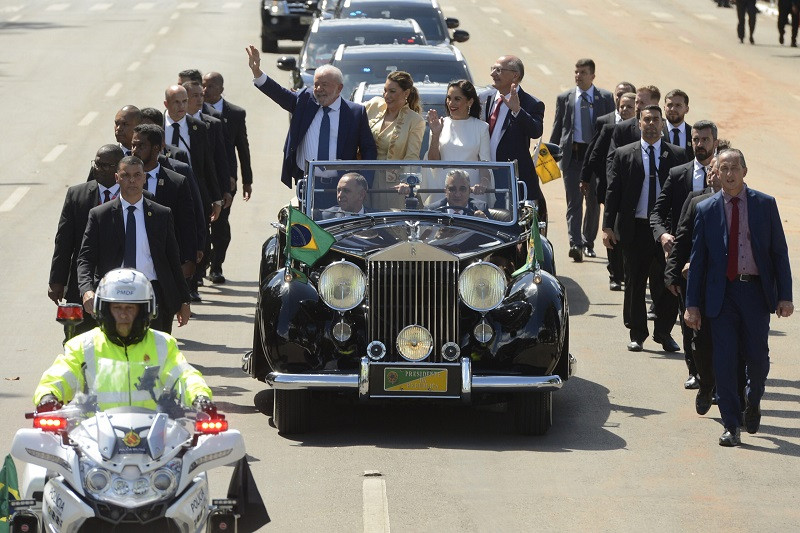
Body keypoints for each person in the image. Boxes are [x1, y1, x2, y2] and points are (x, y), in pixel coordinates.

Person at [685, 149, 793, 447]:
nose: (729, 174)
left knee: (757, 358)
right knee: (724, 360)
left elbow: (778, 253)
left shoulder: (764, 205)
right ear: (715, 174)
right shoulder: (706, 210)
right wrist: (692, 304)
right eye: (723, 169)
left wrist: (784, 295)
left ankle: (753, 399)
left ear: (744, 170)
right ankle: (731, 424)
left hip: (756, 292)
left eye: (734, 168)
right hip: (722, 295)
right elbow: (699, 260)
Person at [34, 268, 215, 414]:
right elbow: (61, 374)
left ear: (145, 310)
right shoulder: (82, 345)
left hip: (155, 439)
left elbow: (184, 376)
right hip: (92, 440)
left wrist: (200, 397)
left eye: (130, 308)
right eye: (117, 307)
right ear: (104, 309)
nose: (123, 314)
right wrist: (48, 396)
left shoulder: (163, 344)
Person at [603, 105, 686, 353]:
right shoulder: (624, 154)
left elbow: (684, 195)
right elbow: (613, 192)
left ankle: (664, 332)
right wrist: (608, 226)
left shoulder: (678, 155)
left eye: (655, 120)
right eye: (646, 120)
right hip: (634, 228)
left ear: (662, 124)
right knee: (635, 283)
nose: (651, 124)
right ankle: (637, 333)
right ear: (639, 123)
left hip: (666, 231)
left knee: (667, 282)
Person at [78, 156, 192, 334]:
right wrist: (86, 290)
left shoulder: (162, 214)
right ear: (117, 178)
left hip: (152, 295)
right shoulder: (100, 215)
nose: (132, 180)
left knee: (154, 355)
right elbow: (85, 258)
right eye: (126, 175)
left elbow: (172, 259)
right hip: (113, 295)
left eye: (137, 175)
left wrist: (184, 300)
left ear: (145, 177)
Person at [246, 45, 377, 188]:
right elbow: (279, 94)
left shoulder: (355, 113)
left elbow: (368, 150)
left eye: (325, 85)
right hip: (306, 184)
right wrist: (257, 72)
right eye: (316, 85)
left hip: (341, 187)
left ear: (339, 88)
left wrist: (365, 184)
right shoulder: (305, 101)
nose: (319, 89)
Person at [650, 120, 718, 389]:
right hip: (686, 262)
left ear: (714, 141)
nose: (699, 144)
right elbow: (657, 212)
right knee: (688, 319)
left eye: (705, 140)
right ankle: (695, 371)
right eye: (695, 140)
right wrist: (664, 235)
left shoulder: (725, 172)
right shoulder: (679, 174)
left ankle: (716, 374)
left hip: (718, 265)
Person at [49, 145, 125, 341]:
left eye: (104, 165)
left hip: (120, 285)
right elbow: (64, 240)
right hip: (81, 285)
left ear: (118, 169)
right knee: (76, 341)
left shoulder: (131, 196)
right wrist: (57, 280)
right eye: (96, 163)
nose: (98, 168)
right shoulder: (77, 195)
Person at [550, 58, 615, 262]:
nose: (578, 76)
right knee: (574, 202)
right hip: (573, 157)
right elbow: (558, 127)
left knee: (594, 202)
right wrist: (551, 153)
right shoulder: (565, 98)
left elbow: (612, 129)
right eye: (576, 72)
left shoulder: (604, 98)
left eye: (583, 72)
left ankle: (588, 242)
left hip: (596, 158)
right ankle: (575, 243)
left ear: (592, 75)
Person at [203, 71, 254, 283]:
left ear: (221, 89)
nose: (205, 90)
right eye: (203, 86)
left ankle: (216, 265)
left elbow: (242, 148)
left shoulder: (235, 114)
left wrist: (246, 180)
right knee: (199, 223)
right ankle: (201, 261)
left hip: (226, 180)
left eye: (210, 86)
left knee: (221, 224)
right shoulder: (196, 111)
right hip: (202, 177)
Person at [583, 89, 636, 291]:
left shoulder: (643, 131)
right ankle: (615, 274)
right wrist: (601, 178)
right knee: (612, 231)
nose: (624, 109)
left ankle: (629, 271)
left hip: (636, 193)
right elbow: (594, 156)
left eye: (629, 107)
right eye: (622, 106)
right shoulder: (610, 129)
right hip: (613, 191)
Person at [130, 124, 198, 275]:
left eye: (141, 146)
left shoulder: (176, 182)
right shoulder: (123, 179)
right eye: (133, 145)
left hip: (165, 263)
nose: (135, 151)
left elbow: (187, 223)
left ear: (156, 148)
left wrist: (189, 260)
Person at [484, 55, 546, 211]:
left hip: (511, 182)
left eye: (498, 70)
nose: (493, 74)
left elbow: (535, 131)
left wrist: (517, 110)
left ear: (515, 75)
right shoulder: (486, 98)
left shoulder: (531, 103)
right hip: (484, 179)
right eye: (493, 69)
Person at [363, 71, 426, 210]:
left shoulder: (415, 121)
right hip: (364, 179)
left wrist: (407, 183)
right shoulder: (373, 105)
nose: (386, 96)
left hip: (392, 186)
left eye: (392, 91)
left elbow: (412, 156)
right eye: (385, 90)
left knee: (389, 229)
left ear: (406, 93)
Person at [424, 80, 490, 205]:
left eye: (457, 99)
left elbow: (485, 165)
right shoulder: (438, 124)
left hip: (471, 192)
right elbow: (433, 163)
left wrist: (483, 184)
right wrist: (436, 134)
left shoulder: (482, 127)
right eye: (449, 98)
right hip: (443, 192)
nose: (451, 103)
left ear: (469, 101)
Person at [662, 89, 693, 160]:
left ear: (687, 109)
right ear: (664, 108)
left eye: (678, 105)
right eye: (669, 105)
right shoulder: (655, 132)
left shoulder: (693, 133)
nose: (673, 109)